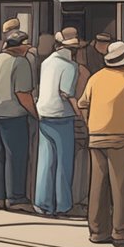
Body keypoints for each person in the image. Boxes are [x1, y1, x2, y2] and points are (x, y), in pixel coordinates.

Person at [78, 41, 124, 247]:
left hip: (97, 135)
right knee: (120, 184)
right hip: (122, 136)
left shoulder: (95, 78)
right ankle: (120, 231)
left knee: (98, 183)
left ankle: (98, 231)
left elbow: (83, 104)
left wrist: (91, 122)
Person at [0, 30, 38, 212]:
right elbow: (23, 94)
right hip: (13, 115)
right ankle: (16, 198)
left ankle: (0, 195)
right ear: (21, 46)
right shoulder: (20, 62)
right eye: (26, 45)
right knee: (17, 157)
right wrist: (35, 113)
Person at [35, 30, 81, 217]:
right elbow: (66, 93)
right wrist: (80, 114)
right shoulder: (70, 66)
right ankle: (63, 205)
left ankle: (42, 203)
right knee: (64, 163)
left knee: (46, 161)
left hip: (43, 113)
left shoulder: (46, 63)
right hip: (61, 116)